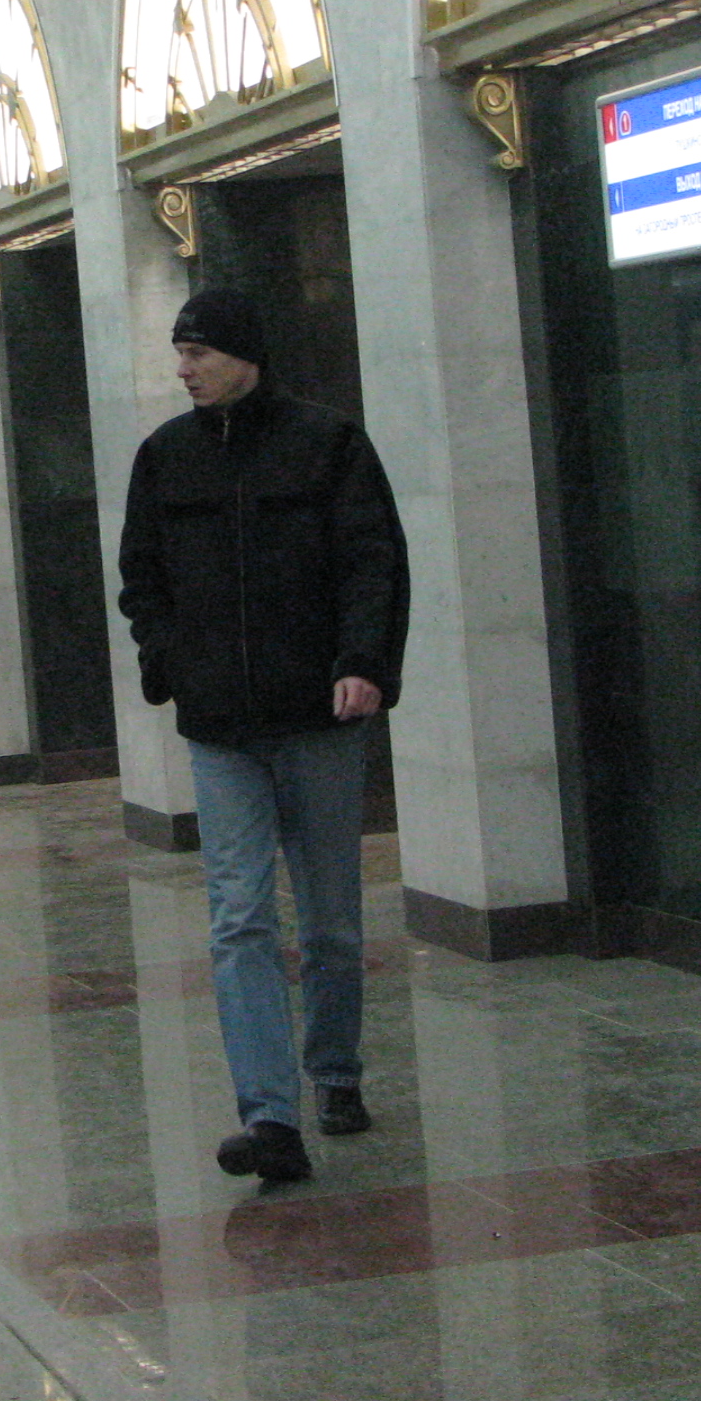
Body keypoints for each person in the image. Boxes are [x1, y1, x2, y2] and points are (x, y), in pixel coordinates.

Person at [117, 287, 409, 1186]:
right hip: (220, 729)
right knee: (238, 916)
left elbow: (374, 563)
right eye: (180, 353)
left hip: (319, 718)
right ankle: (270, 1117)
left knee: (330, 920)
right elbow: (141, 576)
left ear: (244, 355)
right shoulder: (165, 457)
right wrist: (168, 657)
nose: (184, 369)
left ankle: (335, 1072)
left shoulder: (329, 444)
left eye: (197, 353)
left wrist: (363, 662)